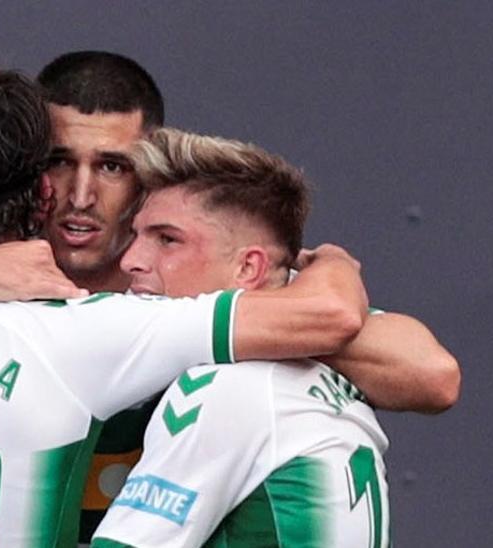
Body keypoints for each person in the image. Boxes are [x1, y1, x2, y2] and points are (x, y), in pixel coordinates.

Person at [0, 51, 459, 543]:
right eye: (60, 162)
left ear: (149, 171)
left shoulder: (202, 292)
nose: (80, 195)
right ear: (29, 176)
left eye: (111, 165)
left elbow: (425, 373)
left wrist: (308, 270)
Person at [92, 128, 412, 547]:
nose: (132, 260)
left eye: (167, 240)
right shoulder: (328, 367)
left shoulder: (222, 388)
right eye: (136, 236)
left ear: (248, 269)